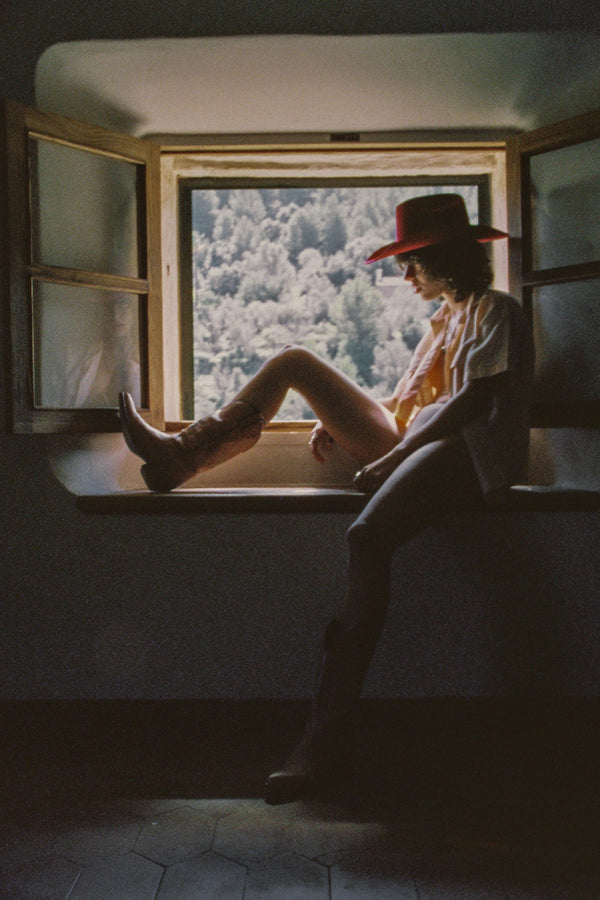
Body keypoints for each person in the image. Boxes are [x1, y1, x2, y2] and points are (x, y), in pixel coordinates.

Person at [119, 193, 534, 804]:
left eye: (412, 260)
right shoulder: (445, 318)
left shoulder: (496, 310)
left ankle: (322, 742)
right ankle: (185, 453)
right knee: (295, 362)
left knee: (365, 537)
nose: (404, 274)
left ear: (446, 257)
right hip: (423, 443)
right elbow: (407, 408)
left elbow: (472, 404)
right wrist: (337, 420)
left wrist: (390, 458)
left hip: (472, 454)